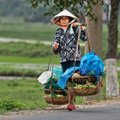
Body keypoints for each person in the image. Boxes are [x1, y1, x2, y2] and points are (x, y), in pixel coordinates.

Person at [51, 9, 87, 111]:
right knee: (68, 81)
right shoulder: (58, 32)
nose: (63, 21)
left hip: (75, 59)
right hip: (64, 59)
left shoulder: (75, 29)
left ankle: (71, 102)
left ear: (69, 20)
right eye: (61, 19)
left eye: (65, 19)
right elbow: (55, 49)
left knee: (73, 79)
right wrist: (55, 47)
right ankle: (71, 101)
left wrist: (83, 28)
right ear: (59, 21)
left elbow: (85, 38)